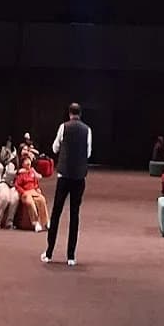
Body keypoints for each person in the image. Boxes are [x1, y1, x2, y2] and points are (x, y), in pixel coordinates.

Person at [41, 101, 92, 267]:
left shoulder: (63, 127)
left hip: (64, 176)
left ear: (69, 113)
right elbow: (88, 153)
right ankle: (71, 256)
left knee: (56, 213)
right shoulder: (87, 130)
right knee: (74, 215)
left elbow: (55, 148)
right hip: (79, 177)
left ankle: (49, 253)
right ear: (80, 114)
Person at [15, 156, 49, 232]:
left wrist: (37, 188)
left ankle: (46, 222)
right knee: (30, 203)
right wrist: (23, 192)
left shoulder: (32, 172)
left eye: (29, 160)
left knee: (42, 200)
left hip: (33, 191)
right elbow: (17, 185)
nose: (28, 162)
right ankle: (36, 222)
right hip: (25, 193)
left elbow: (36, 183)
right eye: (26, 161)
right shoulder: (21, 174)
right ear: (23, 164)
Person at [0, 161, 19, 229]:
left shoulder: (30, 165)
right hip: (4, 183)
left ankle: (9, 222)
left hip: (15, 187)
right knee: (4, 198)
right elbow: (8, 174)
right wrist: (18, 172)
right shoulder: (10, 163)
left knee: (15, 198)